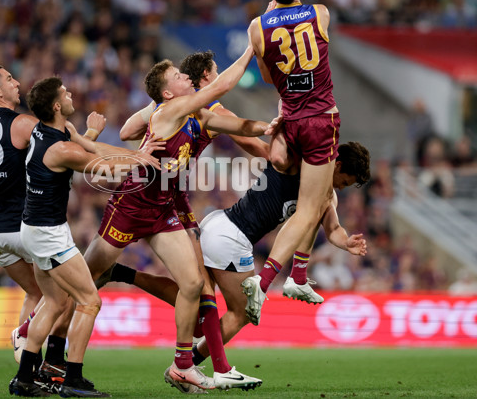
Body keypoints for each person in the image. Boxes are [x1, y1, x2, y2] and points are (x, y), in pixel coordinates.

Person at [84, 34, 276, 392]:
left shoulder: (197, 111)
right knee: (86, 276)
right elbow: (224, 95)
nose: (186, 78)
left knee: (196, 286)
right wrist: (251, 46)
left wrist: (272, 127)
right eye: (180, 77)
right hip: (135, 201)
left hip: (168, 202)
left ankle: (187, 364)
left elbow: (241, 129)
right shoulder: (183, 108)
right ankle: (35, 331)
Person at [99, 142, 370, 363]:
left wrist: (346, 242)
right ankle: (190, 365)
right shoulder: (296, 165)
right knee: (242, 314)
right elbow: (264, 145)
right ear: (338, 164)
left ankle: (121, 273)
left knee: (195, 310)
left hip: (218, 225)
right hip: (233, 237)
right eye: (343, 181)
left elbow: (333, 228)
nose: (339, 188)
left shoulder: (325, 196)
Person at [9, 76, 160, 398]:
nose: (71, 94)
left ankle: (24, 379)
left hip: (36, 229)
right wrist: (140, 159)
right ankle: (72, 380)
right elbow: (105, 167)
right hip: (48, 236)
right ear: (55, 106)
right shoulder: (60, 147)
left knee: (54, 302)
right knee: (89, 300)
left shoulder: (52, 131)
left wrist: (135, 153)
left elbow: (93, 147)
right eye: (65, 93)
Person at [0, 65, 105, 385]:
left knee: (37, 293)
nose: (16, 83)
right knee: (71, 296)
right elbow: (62, 151)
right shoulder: (23, 123)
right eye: (8, 80)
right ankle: (51, 362)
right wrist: (90, 135)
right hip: (25, 224)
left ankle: (29, 367)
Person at [243, 0, 342, 324]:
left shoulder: (257, 27)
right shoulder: (320, 13)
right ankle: (266, 279)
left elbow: (268, 79)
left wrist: (270, 18)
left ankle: (298, 276)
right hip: (321, 120)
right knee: (311, 208)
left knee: (317, 201)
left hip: (289, 121)